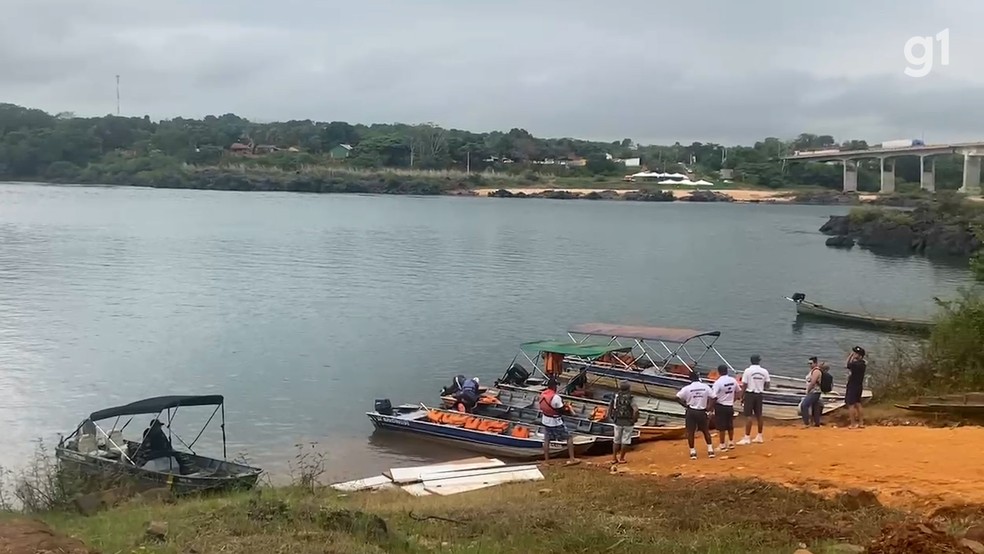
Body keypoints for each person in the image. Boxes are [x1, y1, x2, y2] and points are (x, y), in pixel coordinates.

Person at [676, 371, 715, 460]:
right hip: (702, 411)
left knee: (691, 432)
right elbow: (714, 397)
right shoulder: (705, 387)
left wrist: (685, 405)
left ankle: (692, 452)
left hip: (691, 411)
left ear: (690, 379)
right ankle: (710, 450)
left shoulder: (687, 388)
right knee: (705, 431)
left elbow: (677, 397)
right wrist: (709, 407)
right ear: (698, 377)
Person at [539, 378, 579, 464]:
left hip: (545, 420)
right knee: (569, 437)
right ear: (554, 386)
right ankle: (572, 459)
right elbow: (562, 410)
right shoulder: (556, 397)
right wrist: (569, 408)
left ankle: (547, 461)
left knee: (547, 440)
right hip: (555, 422)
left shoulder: (542, 394)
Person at [737, 354, 771, 445]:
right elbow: (767, 385)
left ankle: (747, 437)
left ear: (751, 361)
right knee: (759, 415)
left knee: (748, 415)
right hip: (759, 394)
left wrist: (741, 396)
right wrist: (761, 386)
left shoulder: (748, 371)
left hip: (750, 394)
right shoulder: (764, 371)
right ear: (759, 361)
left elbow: (744, 384)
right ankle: (759, 436)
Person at [607, 381, 639, 464]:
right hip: (628, 422)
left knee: (616, 440)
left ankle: (614, 458)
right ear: (629, 388)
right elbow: (635, 410)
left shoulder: (616, 396)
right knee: (625, 440)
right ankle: (621, 458)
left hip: (617, 421)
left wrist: (611, 416)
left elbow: (610, 407)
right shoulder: (631, 398)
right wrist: (634, 420)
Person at [710, 364, 738, 451]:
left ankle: (722, 444)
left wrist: (710, 407)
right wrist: (733, 399)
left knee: (721, 426)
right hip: (730, 405)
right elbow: (738, 391)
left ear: (719, 372)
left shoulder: (718, 383)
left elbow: (713, 396)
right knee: (730, 425)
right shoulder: (733, 380)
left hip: (721, 405)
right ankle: (731, 442)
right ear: (727, 370)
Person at [846, 346, 867, 429]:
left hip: (853, 385)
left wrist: (850, 356)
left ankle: (853, 424)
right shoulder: (863, 364)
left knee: (851, 405)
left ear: (860, 355)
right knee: (858, 403)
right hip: (859, 385)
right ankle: (861, 423)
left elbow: (847, 364)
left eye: (856, 353)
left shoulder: (856, 364)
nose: (854, 354)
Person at [801, 361, 825, 427]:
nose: (810, 365)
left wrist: (808, 390)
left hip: (814, 392)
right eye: (809, 363)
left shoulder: (816, 371)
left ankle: (806, 423)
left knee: (804, 405)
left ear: (815, 363)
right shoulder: (813, 371)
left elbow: (813, 383)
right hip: (815, 392)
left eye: (811, 363)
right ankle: (816, 423)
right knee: (815, 407)